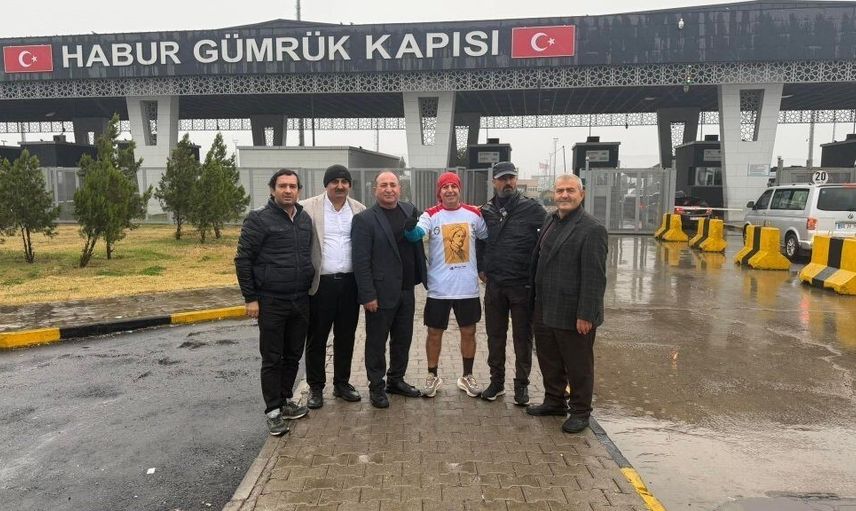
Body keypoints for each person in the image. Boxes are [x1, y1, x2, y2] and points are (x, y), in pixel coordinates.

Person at [527, 174, 608, 434]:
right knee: (549, 359)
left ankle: (581, 412)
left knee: (578, 364)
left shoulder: (592, 229)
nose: (564, 195)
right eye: (560, 190)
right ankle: (554, 401)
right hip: (544, 306)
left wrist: (587, 314)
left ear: (581, 194)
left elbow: (595, 277)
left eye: (570, 190)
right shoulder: (550, 220)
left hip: (574, 312)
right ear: (554, 194)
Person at [235, 169, 314, 436]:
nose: (288, 190)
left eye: (292, 186)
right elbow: (243, 260)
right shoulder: (258, 219)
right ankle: (273, 411)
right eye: (282, 186)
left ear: (299, 191)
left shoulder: (304, 218)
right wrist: (251, 298)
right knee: (272, 357)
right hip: (271, 300)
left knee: (293, 355)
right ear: (272, 190)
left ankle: (285, 400)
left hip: (300, 299)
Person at [405, 172, 487, 398]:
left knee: (469, 332)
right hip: (439, 288)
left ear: (459, 189)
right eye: (445, 187)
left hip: (467, 287)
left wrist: (485, 268)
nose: (450, 190)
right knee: (434, 333)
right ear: (439, 192)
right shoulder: (431, 214)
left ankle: (467, 376)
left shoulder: (474, 214)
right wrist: (410, 229)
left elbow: (487, 238)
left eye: (453, 186)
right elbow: (416, 235)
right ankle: (432, 375)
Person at [351, 171, 427, 408]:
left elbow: (416, 241)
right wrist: (368, 294)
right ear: (375, 190)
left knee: (403, 339)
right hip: (380, 293)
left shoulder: (409, 210)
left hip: (407, 289)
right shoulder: (364, 220)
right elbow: (361, 261)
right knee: (376, 342)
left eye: (393, 184)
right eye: (383, 185)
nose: (389, 189)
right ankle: (376, 386)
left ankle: (396, 380)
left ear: (399, 188)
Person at [476, 161, 547, 405]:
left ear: (516, 180)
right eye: (502, 179)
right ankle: (496, 382)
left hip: (521, 285)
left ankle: (521, 385)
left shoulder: (532, 208)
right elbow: (479, 241)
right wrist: (481, 268)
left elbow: (547, 237)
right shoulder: (485, 210)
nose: (508, 183)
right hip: (495, 285)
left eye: (511, 178)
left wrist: (537, 271)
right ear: (494, 182)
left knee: (522, 338)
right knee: (495, 336)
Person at [300, 164, 366, 409]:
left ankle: (342, 384)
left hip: (350, 284)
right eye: (334, 182)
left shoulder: (359, 210)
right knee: (316, 338)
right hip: (321, 285)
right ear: (326, 184)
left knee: (346, 336)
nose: (340, 186)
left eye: (344, 182)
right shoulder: (308, 208)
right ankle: (316, 387)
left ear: (349, 185)